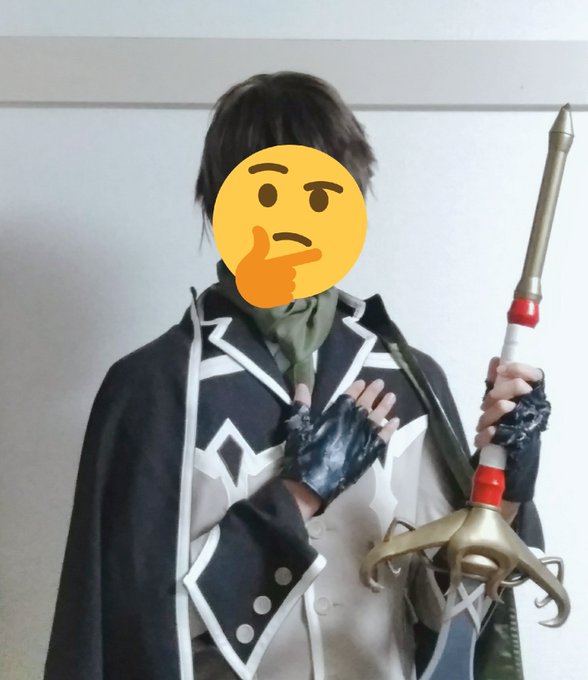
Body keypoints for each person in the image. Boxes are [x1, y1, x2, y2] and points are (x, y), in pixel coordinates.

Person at [45, 72, 547, 680]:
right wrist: (299, 496)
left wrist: (507, 491)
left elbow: (449, 614)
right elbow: (133, 629)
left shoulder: (407, 379)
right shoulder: (154, 390)